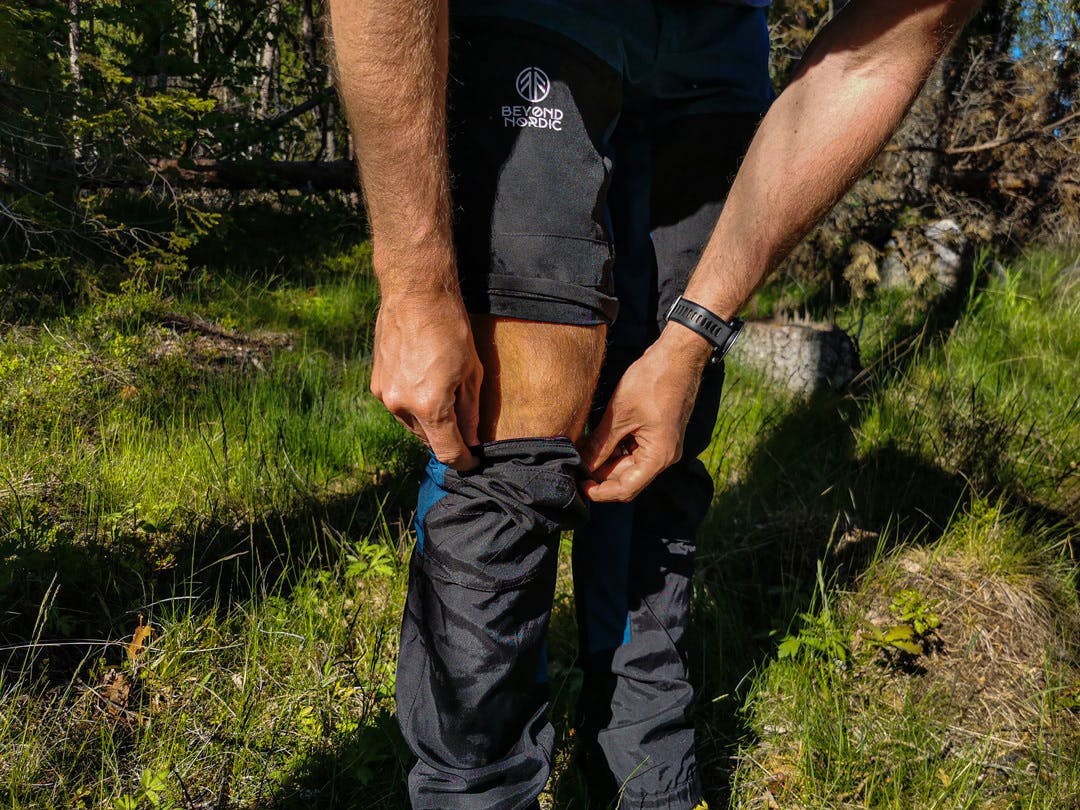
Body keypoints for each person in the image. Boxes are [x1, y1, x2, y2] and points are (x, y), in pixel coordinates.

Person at [327, 1, 981, 807]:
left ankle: (646, 775)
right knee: (509, 453)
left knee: (651, 458)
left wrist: (691, 340)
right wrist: (414, 282)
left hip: (715, 49)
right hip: (538, 15)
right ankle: (476, 792)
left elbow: (873, 59)